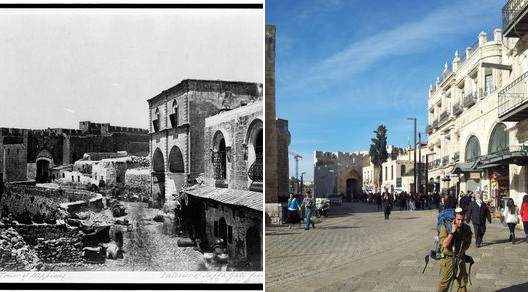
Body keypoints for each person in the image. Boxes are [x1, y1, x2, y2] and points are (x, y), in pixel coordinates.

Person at [437, 207, 472, 292]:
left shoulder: (466, 229)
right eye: (458, 219)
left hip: (460, 257)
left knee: (462, 282)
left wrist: (463, 250)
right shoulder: (445, 227)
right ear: (454, 218)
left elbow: (468, 243)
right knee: (445, 283)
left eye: (462, 219)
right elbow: (444, 244)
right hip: (448, 258)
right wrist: (452, 232)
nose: (460, 222)